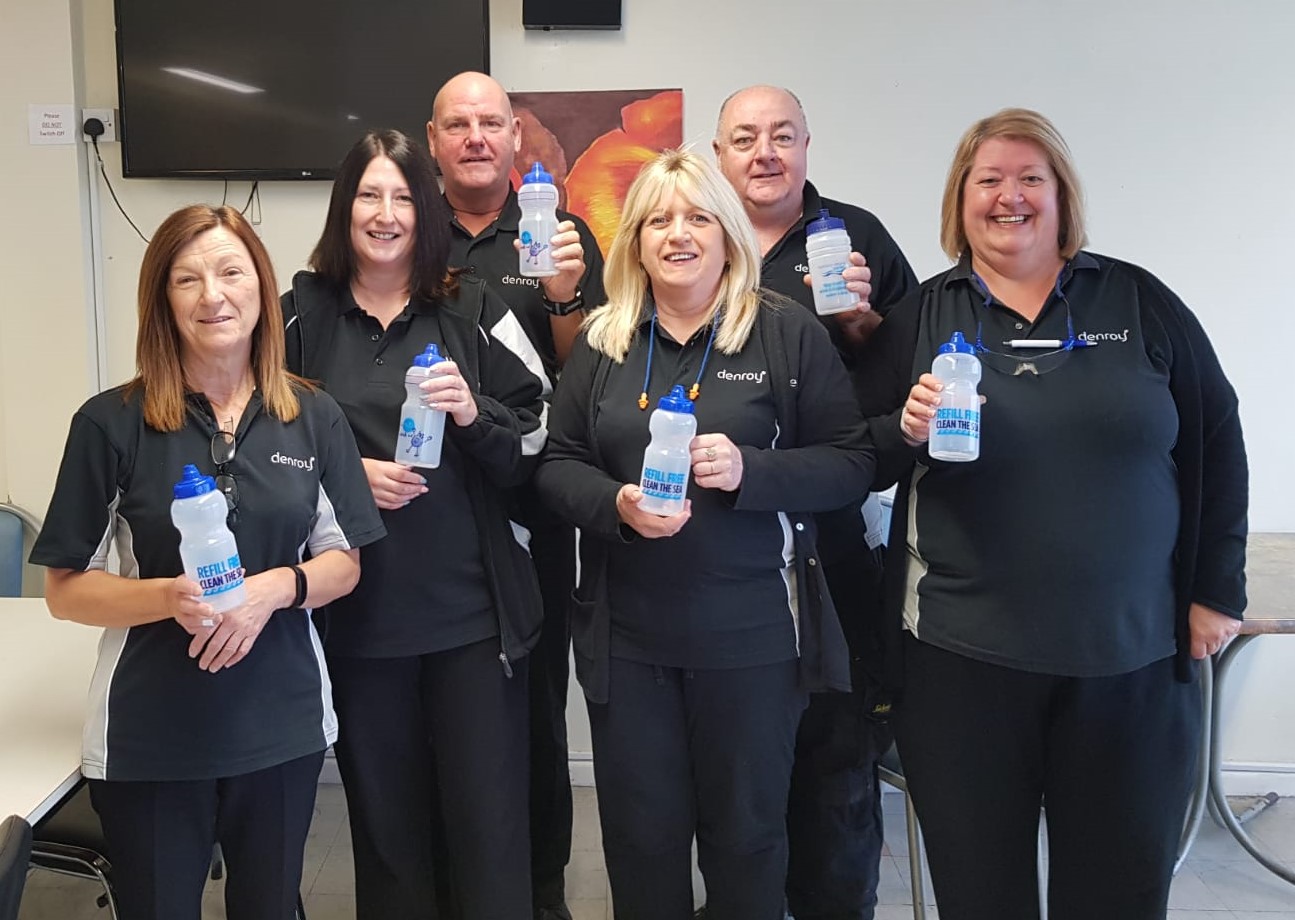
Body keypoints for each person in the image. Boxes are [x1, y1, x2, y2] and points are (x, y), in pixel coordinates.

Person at [856, 108, 1248, 920]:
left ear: (1061, 196)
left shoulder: (1139, 301)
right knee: (981, 895)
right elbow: (856, 454)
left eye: (1030, 178)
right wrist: (904, 428)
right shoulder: (922, 318)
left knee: (1118, 892)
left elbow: (1215, 434)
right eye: (988, 180)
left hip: (1130, 658)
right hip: (962, 662)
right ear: (958, 200)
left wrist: (1217, 589)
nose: (1010, 197)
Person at [534, 148, 875, 920]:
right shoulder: (602, 340)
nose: (676, 234)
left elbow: (852, 463)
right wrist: (617, 504)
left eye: (695, 217)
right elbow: (555, 468)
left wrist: (751, 472)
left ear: (727, 232)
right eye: (657, 219)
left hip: (754, 644)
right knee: (640, 843)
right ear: (635, 242)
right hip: (628, 644)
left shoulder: (784, 335)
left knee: (747, 843)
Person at [30, 204, 385, 920]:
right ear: (162, 301)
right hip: (150, 737)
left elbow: (343, 562)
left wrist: (273, 590)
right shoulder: (110, 423)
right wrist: (168, 597)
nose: (212, 295)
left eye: (230, 271)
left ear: (260, 285)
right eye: (186, 279)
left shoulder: (313, 416)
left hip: (280, 727)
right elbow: (64, 591)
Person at [281, 129, 549, 920]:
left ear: (424, 210)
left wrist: (473, 413)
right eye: (369, 194)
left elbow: (540, 433)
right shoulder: (299, 319)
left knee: (488, 829)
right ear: (344, 208)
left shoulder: (472, 307)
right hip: (360, 622)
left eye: (403, 196)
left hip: (472, 619)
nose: (386, 213)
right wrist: (341, 479)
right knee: (388, 833)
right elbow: (258, 446)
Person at [713, 84, 917, 920]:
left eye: (781, 135)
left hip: (835, 537)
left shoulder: (856, 238)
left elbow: (919, 387)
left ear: (806, 146)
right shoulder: (695, 241)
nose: (764, 152)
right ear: (717, 154)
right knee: (736, 759)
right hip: (726, 545)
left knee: (835, 756)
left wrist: (865, 327)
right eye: (743, 138)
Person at [427, 71, 606, 920]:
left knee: (535, 709)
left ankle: (540, 893)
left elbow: (585, 372)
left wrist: (567, 295)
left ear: (513, 141)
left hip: (530, 507)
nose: (473, 137)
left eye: (488, 123)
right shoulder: (404, 233)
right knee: (432, 719)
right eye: (456, 124)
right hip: (422, 512)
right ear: (432, 141)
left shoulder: (560, 235)